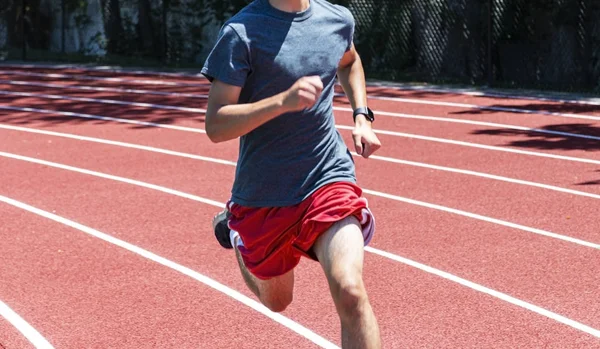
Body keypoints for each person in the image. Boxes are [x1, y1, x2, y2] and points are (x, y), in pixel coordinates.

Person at [201, 0, 382, 347]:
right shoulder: (241, 33)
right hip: (265, 194)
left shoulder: (336, 19)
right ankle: (238, 238)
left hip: (328, 176)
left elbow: (350, 60)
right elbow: (216, 123)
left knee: (350, 291)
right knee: (278, 301)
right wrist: (281, 102)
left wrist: (361, 116)